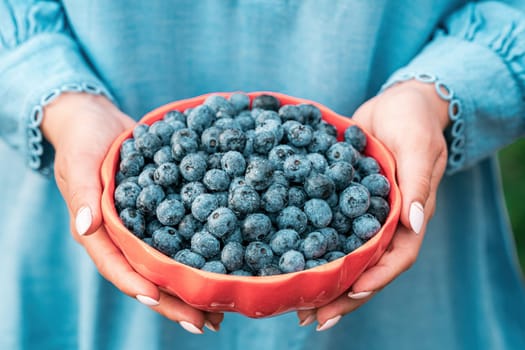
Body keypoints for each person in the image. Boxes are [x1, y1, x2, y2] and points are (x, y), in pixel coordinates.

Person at [0, 0, 524, 349]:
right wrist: (62, 103)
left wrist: (432, 97)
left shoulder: (317, 183)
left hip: (414, 236)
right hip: (80, 191)